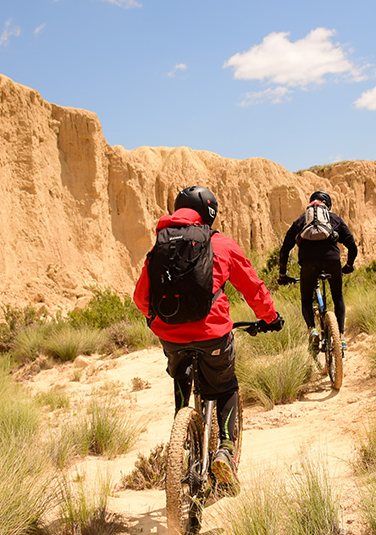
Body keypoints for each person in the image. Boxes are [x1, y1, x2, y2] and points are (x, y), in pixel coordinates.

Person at [133, 184, 282, 494]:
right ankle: (226, 452)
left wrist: (156, 321)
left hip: (171, 337)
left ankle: (182, 437)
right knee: (225, 384)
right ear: (208, 214)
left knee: (179, 371)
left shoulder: (160, 246)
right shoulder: (221, 244)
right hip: (213, 335)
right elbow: (252, 287)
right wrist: (270, 317)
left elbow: (140, 297)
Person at [277, 190, 358, 353]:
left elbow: (284, 250)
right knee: (338, 297)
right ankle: (341, 337)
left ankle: (312, 329)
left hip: (308, 263)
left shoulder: (301, 220)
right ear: (327, 206)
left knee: (306, 300)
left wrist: (283, 275)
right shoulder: (334, 219)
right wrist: (348, 266)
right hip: (332, 261)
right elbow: (353, 247)